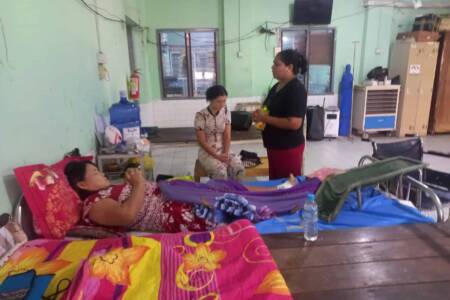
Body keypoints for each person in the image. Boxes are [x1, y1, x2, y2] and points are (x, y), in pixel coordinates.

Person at [65, 161, 214, 233]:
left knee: (222, 195)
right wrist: (138, 183)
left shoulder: (104, 193)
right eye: (96, 172)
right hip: (173, 211)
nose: (102, 174)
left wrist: (131, 184)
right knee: (222, 209)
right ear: (82, 184)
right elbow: (127, 215)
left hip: (171, 195)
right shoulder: (92, 205)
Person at [252, 49, 308, 180]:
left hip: (288, 148)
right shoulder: (276, 86)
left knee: (286, 184)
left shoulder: (296, 89)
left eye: (277, 64)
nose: (272, 67)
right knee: (275, 182)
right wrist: (258, 115)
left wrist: (264, 118)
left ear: (289, 67)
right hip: (274, 145)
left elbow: (294, 123)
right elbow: (267, 109)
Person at [194, 85, 244, 179]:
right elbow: (202, 142)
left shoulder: (225, 112)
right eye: (218, 101)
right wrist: (217, 156)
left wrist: (225, 153)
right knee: (220, 173)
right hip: (208, 152)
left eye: (224, 101)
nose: (222, 104)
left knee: (238, 168)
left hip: (224, 148)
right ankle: (220, 193)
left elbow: (227, 135)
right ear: (210, 100)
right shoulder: (201, 115)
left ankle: (235, 192)